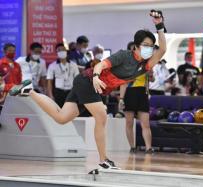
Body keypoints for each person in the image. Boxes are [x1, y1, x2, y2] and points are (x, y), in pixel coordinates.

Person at [24, 10, 166, 170]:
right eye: (145, 46)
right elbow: (100, 64)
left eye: (150, 46)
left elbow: (162, 50)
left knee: (61, 118)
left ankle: (29, 92)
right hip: (88, 81)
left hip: (89, 86)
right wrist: (97, 76)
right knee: (101, 115)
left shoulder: (145, 65)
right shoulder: (124, 56)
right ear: (136, 46)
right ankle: (103, 159)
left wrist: (159, 25)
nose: (149, 49)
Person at [118, 41, 154, 154]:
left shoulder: (146, 63)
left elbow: (152, 79)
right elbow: (123, 83)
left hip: (142, 92)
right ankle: (132, 147)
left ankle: (148, 148)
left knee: (145, 123)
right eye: (132, 49)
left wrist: (150, 74)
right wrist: (121, 99)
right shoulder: (126, 66)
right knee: (129, 123)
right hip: (129, 93)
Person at [47, 43, 79, 107]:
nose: (62, 52)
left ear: (66, 51)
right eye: (59, 50)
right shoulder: (52, 66)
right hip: (58, 92)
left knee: (70, 111)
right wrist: (50, 95)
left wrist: (77, 93)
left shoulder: (73, 65)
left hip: (71, 92)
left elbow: (77, 80)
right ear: (56, 52)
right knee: (59, 111)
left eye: (63, 50)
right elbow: (49, 81)